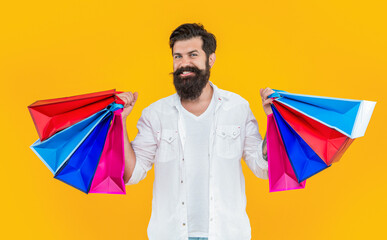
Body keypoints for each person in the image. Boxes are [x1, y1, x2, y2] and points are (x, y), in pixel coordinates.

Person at [117, 23, 274, 240]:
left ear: (210, 59)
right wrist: (121, 121)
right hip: (170, 234)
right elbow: (131, 174)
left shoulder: (237, 108)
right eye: (178, 56)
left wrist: (273, 120)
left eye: (193, 54)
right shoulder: (155, 114)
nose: (184, 63)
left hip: (227, 234)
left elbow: (262, 166)